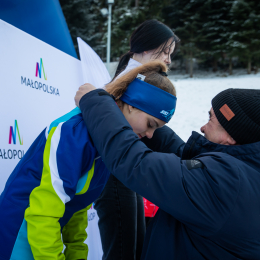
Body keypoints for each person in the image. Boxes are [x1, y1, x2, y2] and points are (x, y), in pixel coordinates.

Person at [0, 60, 176, 260]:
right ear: (131, 105)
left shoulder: (108, 141)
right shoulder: (74, 133)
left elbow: (78, 206)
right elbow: (42, 213)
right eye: (151, 124)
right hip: (21, 234)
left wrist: (76, 254)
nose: (151, 135)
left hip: (44, 235)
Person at [75, 86, 260, 259]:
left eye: (211, 118)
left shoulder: (227, 182)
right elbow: (184, 159)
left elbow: (137, 163)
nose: (203, 127)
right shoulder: (245, 173)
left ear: (230, 135)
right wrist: (149, 123)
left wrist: (95, 103)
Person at [95, 19, 179, 260]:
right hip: (112, 171)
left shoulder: (139, 79)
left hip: (126, 168)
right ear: (143, 47)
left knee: (135, 244)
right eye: (164, 51)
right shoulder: (128, 83)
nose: (168, 59)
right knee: (122, 248)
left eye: (170, 53)